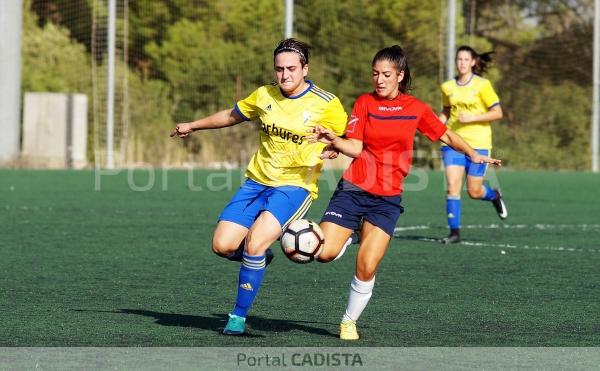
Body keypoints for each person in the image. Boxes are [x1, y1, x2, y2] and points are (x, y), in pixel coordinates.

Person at [308, 45, 501, 340]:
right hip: (353, 189)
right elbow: (355, 147)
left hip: (386, 199)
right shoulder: (363, 103)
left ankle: (348, 320)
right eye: (375, 74)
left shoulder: (416, 108)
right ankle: (351, 234)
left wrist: (473, 154)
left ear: (400, 75)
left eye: (386, 74)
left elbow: (446, 134)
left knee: (367, 264)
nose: (379, 80)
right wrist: (335, 140)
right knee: (323, 254)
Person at [170, 38, 347, 335]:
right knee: (222, 245)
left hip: (295, 186)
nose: (285, 75)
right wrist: (193, 125)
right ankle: (261, 257)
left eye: (291, 68)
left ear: (306, 68)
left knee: (254, 243)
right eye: (279, 69)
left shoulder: (327, 103)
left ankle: (237, 317)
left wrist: (335, 147)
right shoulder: (264, 94)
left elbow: (348, 138)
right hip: (256, 184)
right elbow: (231, 115)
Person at [438, 45, 507, 244]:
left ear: (473, 62)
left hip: (479, 143)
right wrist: (435, 123)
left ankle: (494, 196)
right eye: (459, 59)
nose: (462, 63)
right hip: (453, 142)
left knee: (474, 191)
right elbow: (446, 111)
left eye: (466, 59)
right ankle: (454, 233)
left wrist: (472, 117)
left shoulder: (482, 85)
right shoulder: (447, 87)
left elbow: (498, 112)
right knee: (452, 186)